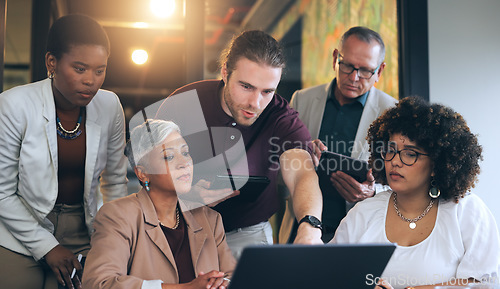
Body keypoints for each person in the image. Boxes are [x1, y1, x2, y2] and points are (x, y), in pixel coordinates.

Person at [156, 30, 323, 259]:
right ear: (225, 72)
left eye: (267, 91)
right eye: (246, 86)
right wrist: (187, 196)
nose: (255, 103)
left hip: (248, 233)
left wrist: (310, 226)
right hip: (180, 225)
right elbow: (150, 175)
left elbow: (302, 172)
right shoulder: (182, 104)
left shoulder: (280, 116)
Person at [0, 14, 128, 289]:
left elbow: (115, 182)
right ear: (52, 63)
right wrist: (48, 247)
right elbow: (2, 192)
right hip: (20, 225)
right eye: (80, 69)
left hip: (85, 225)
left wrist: (113, 237)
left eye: (99, 70)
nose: (91, 81)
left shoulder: (109, 106)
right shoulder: (14, 105)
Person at [330, 96, 500, 289]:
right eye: (390, 150)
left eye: (410, 154)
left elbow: (484, 283)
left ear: (437, 164)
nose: (395, 161)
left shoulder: (466, 210)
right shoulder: (363, 213)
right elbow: (330, 274)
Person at [82, 119, 236, 289]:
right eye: (169, 156)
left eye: (185, 153)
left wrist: (221, 284)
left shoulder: (210, 218)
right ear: (142, 173)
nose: (184, 163)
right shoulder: (117, 215)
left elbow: (233, 276)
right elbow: (99, 283)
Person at [279, 26, 397, 243]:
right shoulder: (302, 100)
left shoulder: (392, 112)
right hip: (300, 231)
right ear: (335, 58)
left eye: (365, 71)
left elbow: (404, 180)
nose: (354, 77)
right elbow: (279, 166)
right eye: (348, 66)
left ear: (379, 71)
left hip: (356, 235)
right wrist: (303, 159)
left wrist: (372, 192)